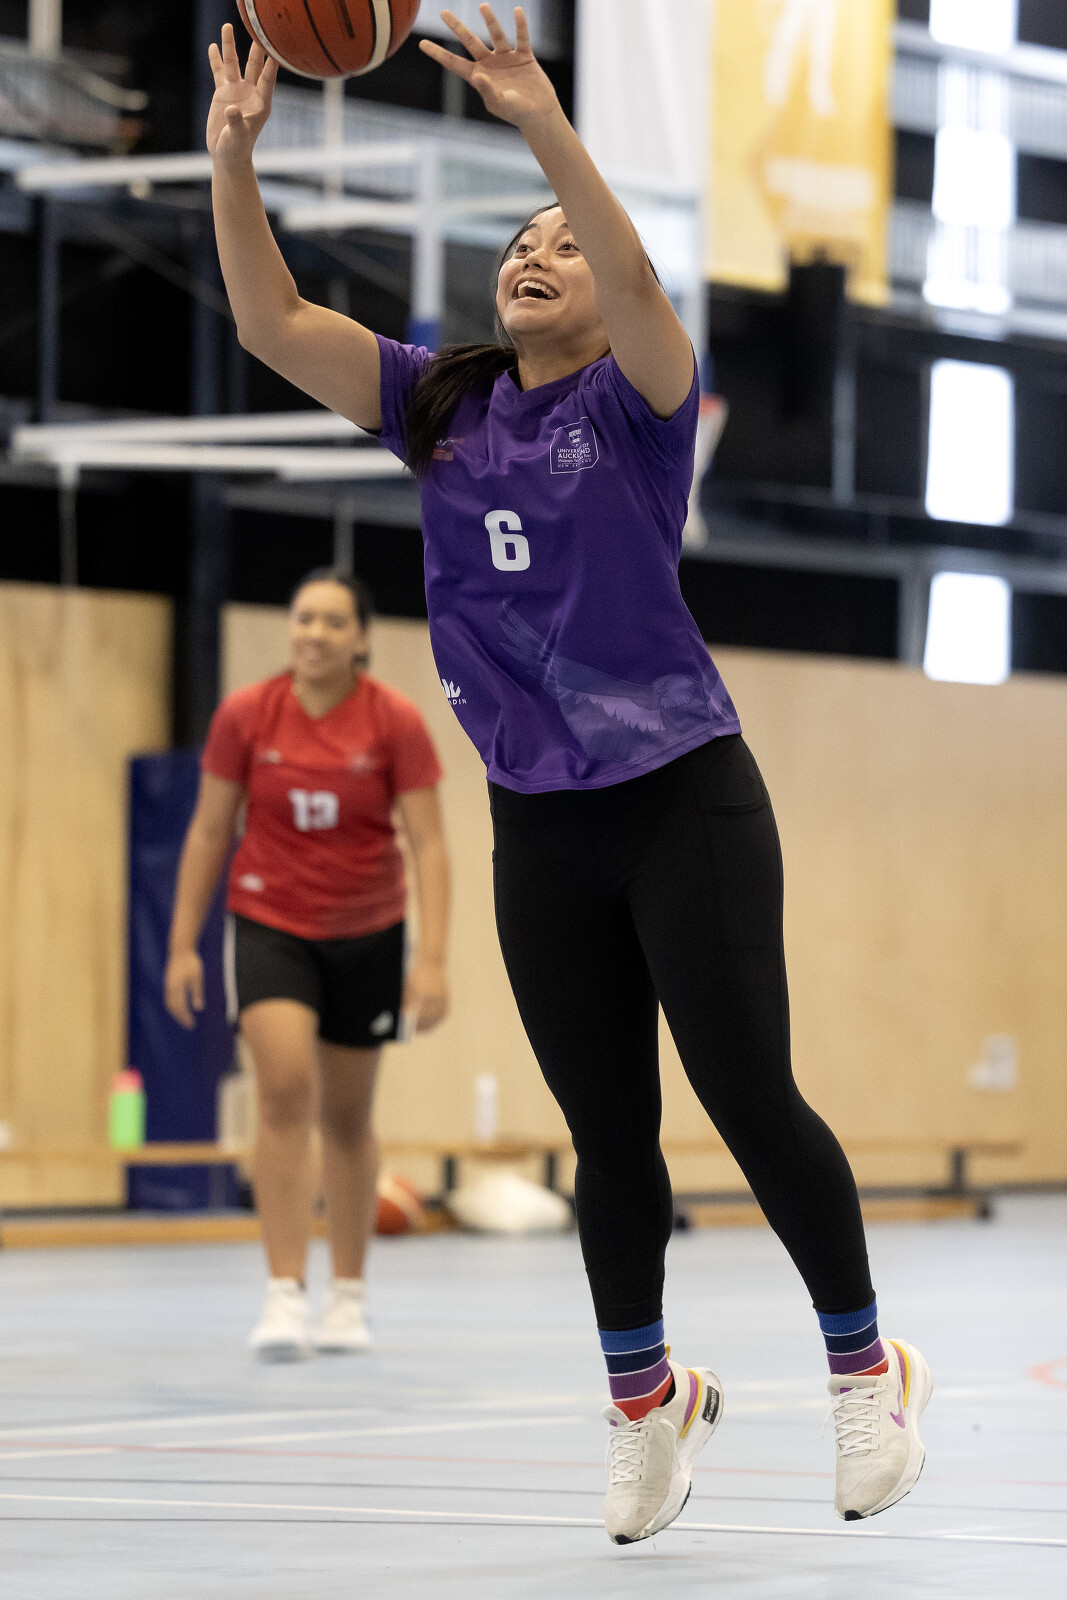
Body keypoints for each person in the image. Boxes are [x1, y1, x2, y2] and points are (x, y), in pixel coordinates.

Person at [203, 5, 931, 1539]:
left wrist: (540, 122)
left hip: (681, 794)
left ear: (604, 293)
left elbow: (642, 283)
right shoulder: (438, 405)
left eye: (560, 247)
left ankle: (866, 1369)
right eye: (516, 244)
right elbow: (269, 321)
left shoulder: (639, 401)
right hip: (537, 819)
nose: (532, 255)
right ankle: (644, 1404)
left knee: (744, 1094)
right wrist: (233, 157)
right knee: (606, 1134)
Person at [165, 569, 449, 1360]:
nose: (313, 634)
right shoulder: (247, 715)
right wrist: (182, 944)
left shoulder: (393, 721)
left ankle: (347, 1296)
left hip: (368, 929)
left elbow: (429, 842)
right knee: (285, 1090)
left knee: (347, 1115)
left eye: (331, 622)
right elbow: (208, 831)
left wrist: (432, 960)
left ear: (361, 638)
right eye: (303, 619)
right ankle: (284, 1292)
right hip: (270, 924)